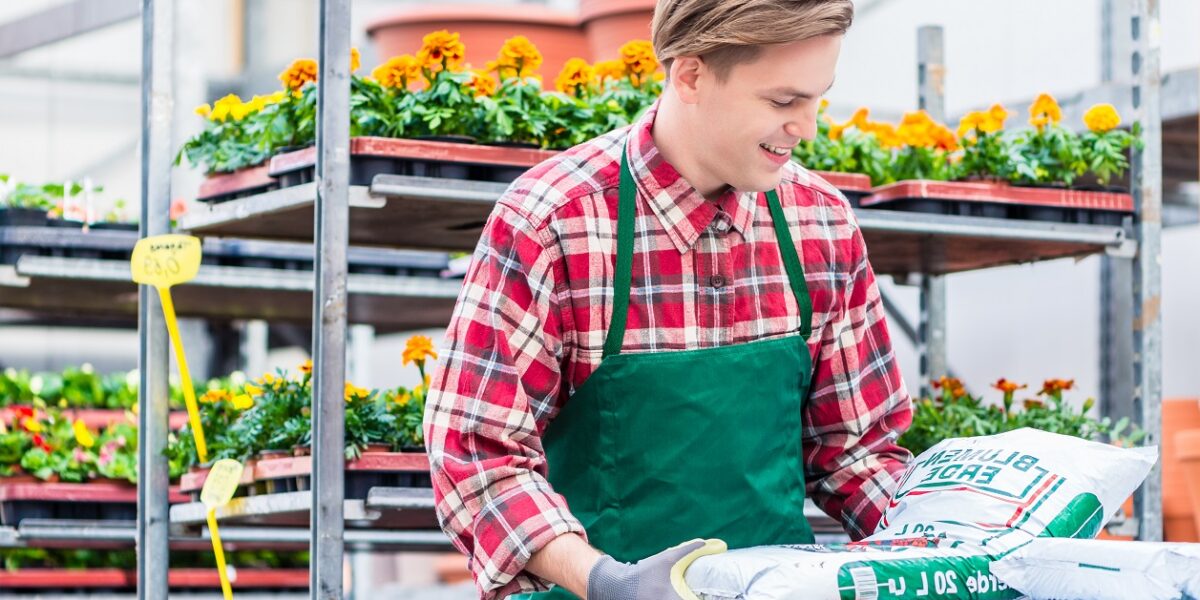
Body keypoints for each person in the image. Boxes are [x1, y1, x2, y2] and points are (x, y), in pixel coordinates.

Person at [424, 1, 912, 598]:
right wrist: (606, 581)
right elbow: (476, 452)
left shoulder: (822, 224)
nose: (806, 128)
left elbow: (856, 454)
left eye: (817, 98)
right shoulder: (556, 222)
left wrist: (963, 536)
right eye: (783, 102)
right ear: (690, 75)